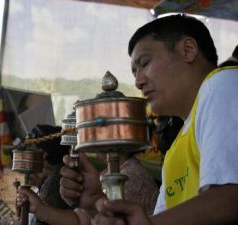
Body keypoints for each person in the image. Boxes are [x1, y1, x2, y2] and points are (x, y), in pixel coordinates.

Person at [60, 14, 238, 225]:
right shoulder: (175, 150)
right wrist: (97, 203)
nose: (138, 82)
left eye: (144, 63)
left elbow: (229, 199)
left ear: (187, 50)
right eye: (134, 72)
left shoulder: (222, 83)